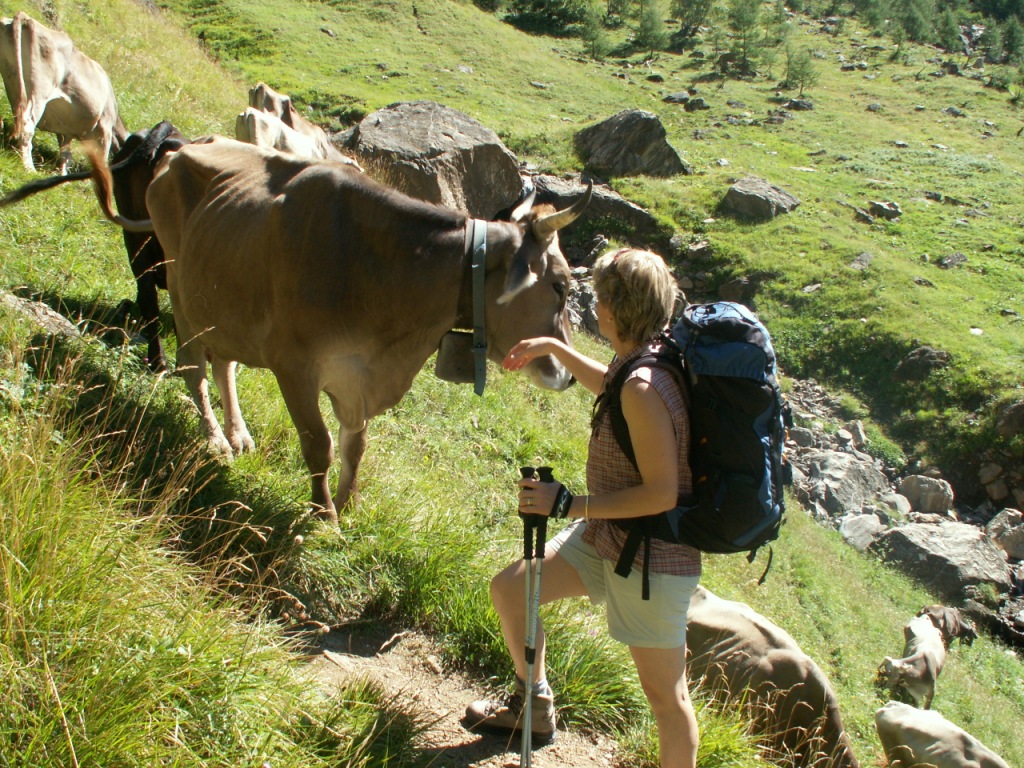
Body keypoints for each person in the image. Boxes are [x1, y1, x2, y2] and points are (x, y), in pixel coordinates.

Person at [464, 248, 701, 768]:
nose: (594, 305)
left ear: (615, 307)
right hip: (608, 538)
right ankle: (534, 706)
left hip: (652, 563)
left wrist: (570, 505)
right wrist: (554, 346)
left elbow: (662, 493)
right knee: (512, 590)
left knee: (667, 700)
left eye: (599, 296)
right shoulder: (642, 359)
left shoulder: (644, 386)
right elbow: (611, 385)